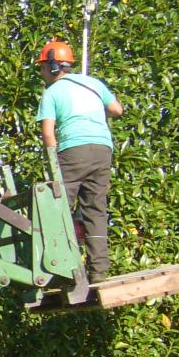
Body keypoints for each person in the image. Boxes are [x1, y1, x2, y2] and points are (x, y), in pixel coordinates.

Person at [36, 40, 123, 284]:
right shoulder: (94, 84)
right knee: (96, 208)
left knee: (59, 209)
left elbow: (48, 134)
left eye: (42, 67)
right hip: (103, 149)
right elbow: (117, 110)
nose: (41, 73)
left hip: (74, 151)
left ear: (53, 67)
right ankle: (98, 272)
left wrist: (54, 164)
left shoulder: (52, 92)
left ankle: (63, 271)